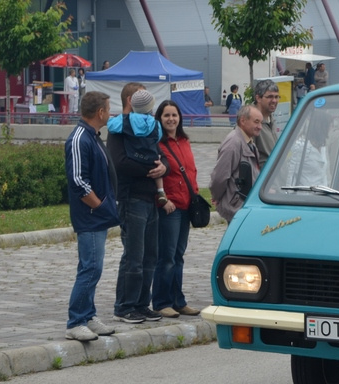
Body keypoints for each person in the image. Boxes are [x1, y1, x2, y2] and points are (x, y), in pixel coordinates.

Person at [106, 83, 167, 324]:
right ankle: (125, 306)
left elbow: (161, 156)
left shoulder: (151, 126)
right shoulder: (118, 129)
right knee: (134, 256)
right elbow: (119, 163)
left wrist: (163, 167)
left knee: (150, 256)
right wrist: (151, 169)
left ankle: (142, 303)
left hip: (150, 198)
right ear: (130, 99)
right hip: (131, 198)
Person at [64, 91, 120, 341]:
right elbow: (78, 181)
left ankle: (88, 314)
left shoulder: (93, 136)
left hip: (98, 215)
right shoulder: (79, 138)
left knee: (94, 268)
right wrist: (99, 206)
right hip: (90, 216)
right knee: (90, 268)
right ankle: (76, 320)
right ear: (100, 112)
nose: (110, 113)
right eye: (108, 109)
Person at [152, 99, 200, 318]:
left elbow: (191, 172)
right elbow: (155, 175)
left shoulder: (184, 141)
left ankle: (178, 300)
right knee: (167, 257)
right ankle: (162, 302)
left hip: (186, 205)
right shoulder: (157, 144)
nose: (171, 119)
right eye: (166, 115)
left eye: (174, 115)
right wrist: (164, 199)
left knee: (179, 256)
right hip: (170, 208)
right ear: (159, 119)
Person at [210, 104, 262, 223]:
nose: (260, 127)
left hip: (244, 206)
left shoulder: (248, 141)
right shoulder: (233, 143)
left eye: (261, 123)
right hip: (237, 208)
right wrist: (217, 197)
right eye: (256, 122)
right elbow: (219, 177)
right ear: (243, 120)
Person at [286, 109, 332, 186]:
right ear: (321, 126)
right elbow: (290, 174)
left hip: (322, 194)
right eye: (329, 125)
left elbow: (326, 174)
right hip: (304, 195)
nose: (331, 128)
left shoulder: (323, 146)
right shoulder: (301, 146)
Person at [252, 79, 280, 169]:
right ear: (258, 98)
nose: (274, 101)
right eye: (270, 97)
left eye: (277, 97)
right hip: (263, 180)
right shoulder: (250, 122)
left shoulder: (271, 120)